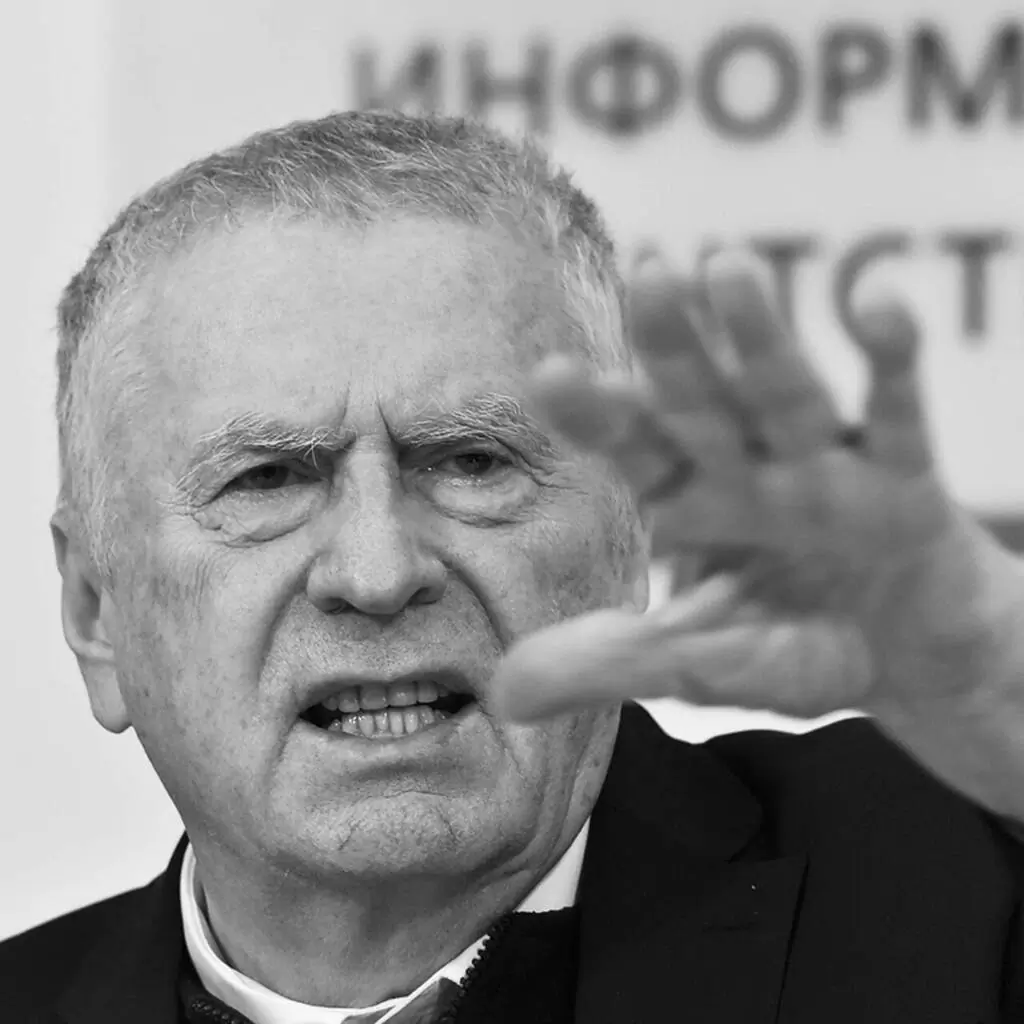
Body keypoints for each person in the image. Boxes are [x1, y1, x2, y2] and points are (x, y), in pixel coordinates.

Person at [4, 110, 1024, 1024]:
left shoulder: (962, 885)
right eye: (267, 479)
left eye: (470, 462)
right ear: (94, 610)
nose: (378, 571)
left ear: (629, 540)